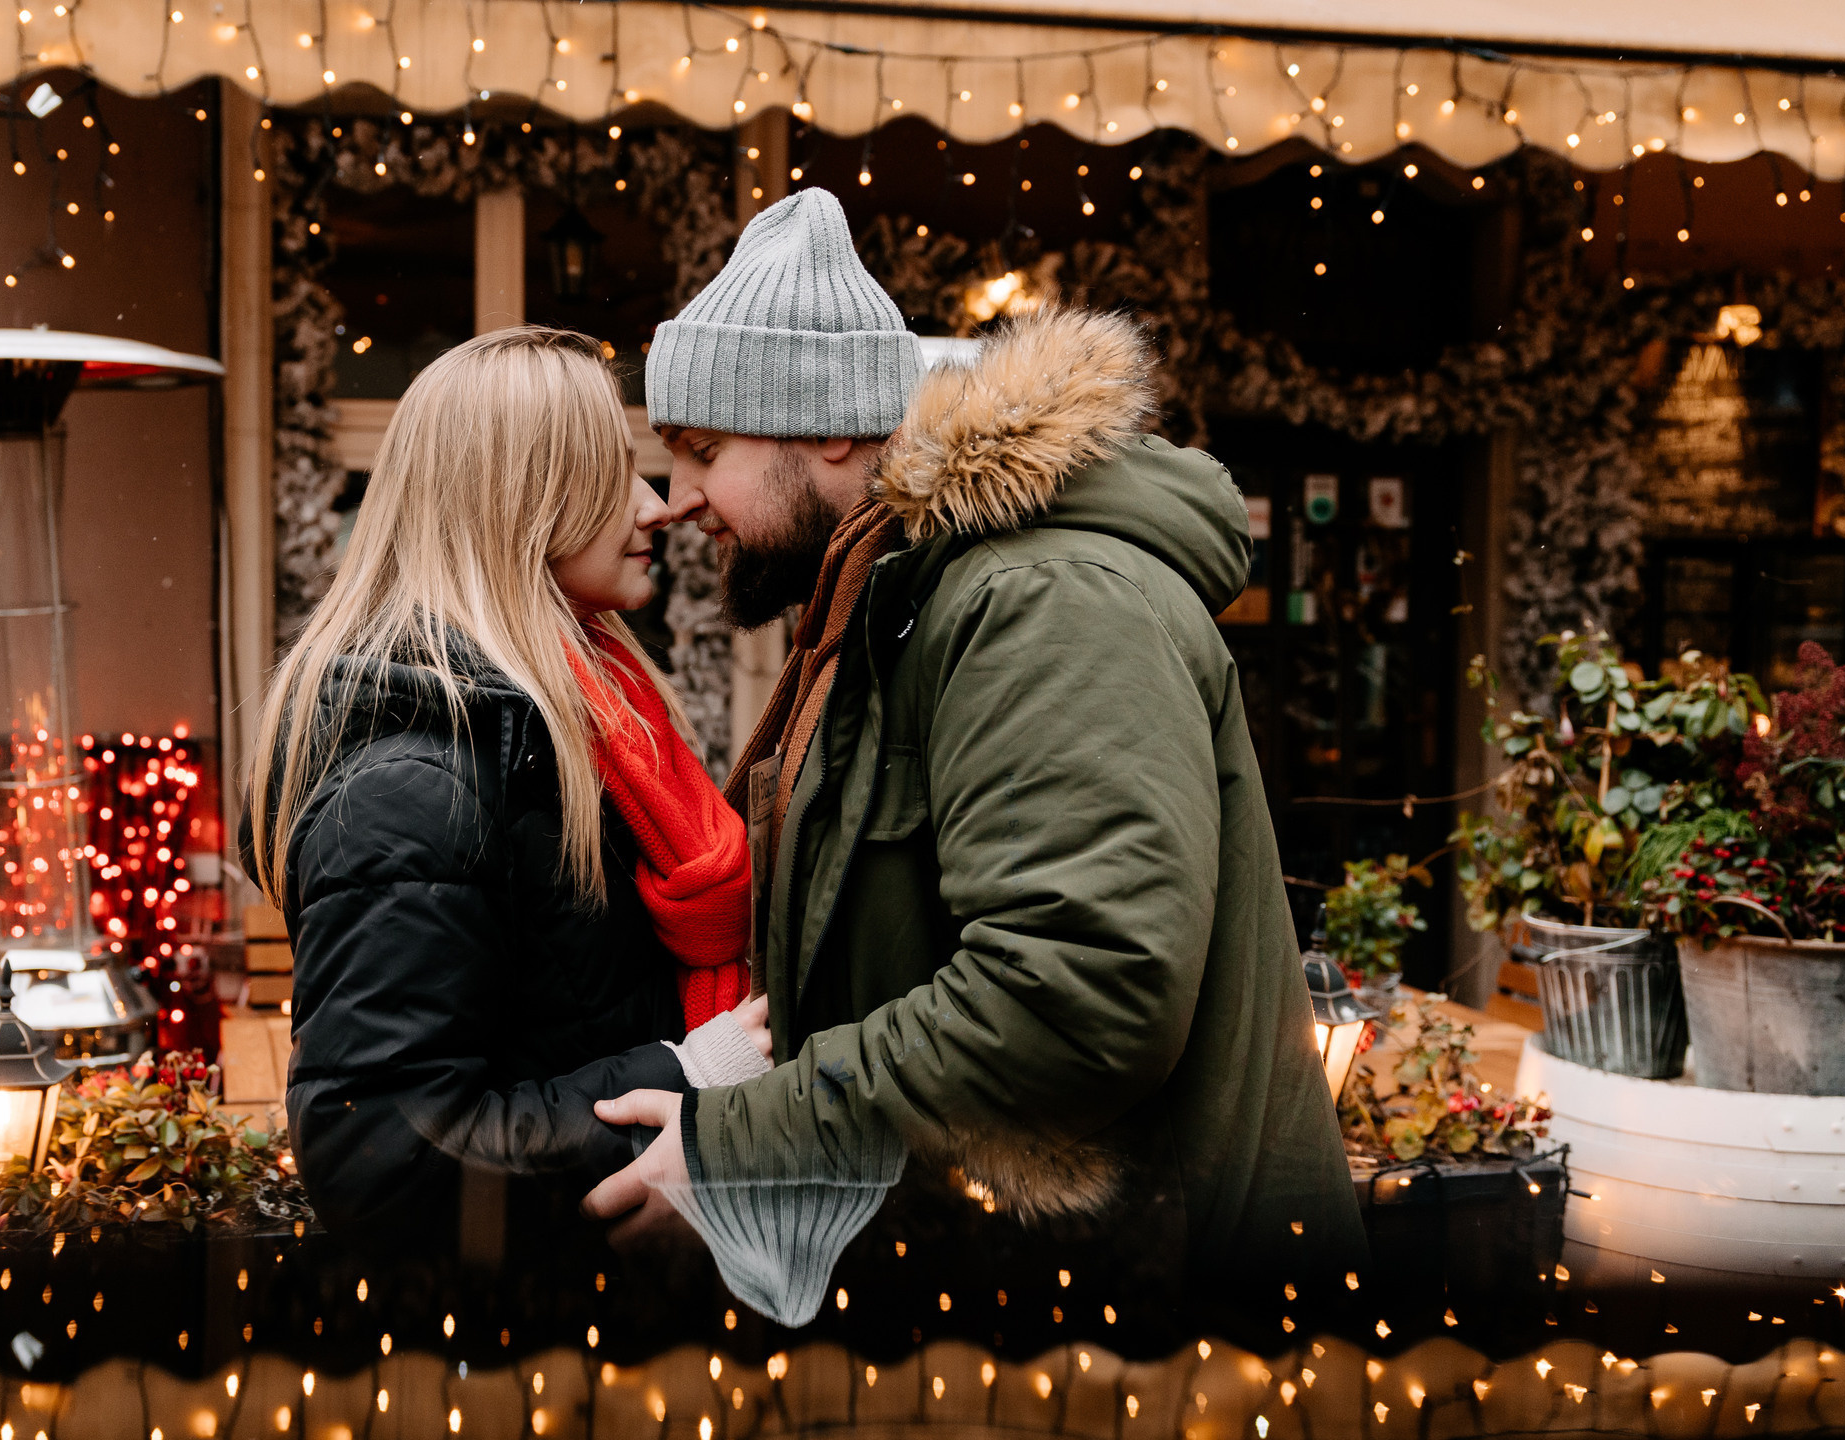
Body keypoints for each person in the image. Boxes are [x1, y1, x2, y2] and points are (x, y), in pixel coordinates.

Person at [585, 189, 1365, 1288]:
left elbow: (1080, 992)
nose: (677, 499)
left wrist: (748, 1145)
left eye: (704, 449)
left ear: (832, 426)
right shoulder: (908, 599)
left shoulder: (1042, 598)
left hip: (1140, 1325)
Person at [245, 326, 770, 1252]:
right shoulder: (414, 788)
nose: (655, 510)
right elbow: (381, 1164)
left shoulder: (570, 727)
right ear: (519, 502)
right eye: (615, 477)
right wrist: (687, 1072)